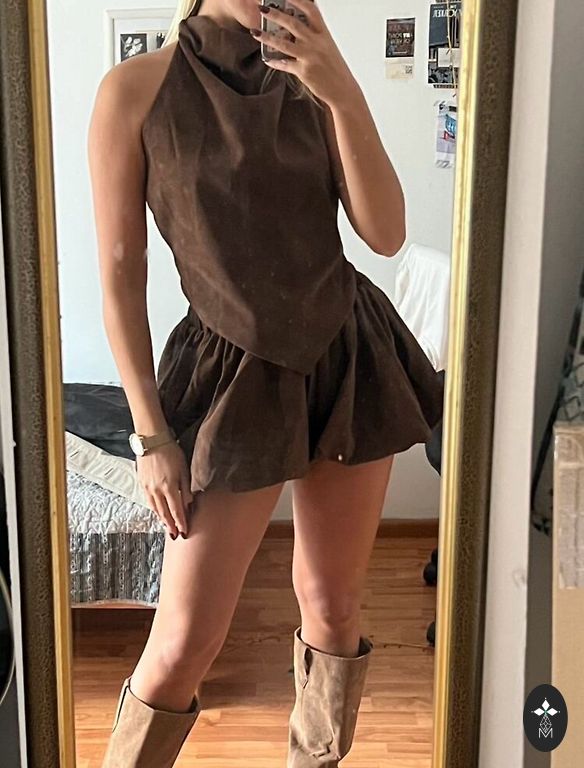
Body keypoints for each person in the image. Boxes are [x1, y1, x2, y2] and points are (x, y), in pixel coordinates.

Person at [87, 0, 445, 765]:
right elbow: (119, 281)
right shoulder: (135, 90)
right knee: (183, 641)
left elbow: (385, 234)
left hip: (346, 357)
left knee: (333, 605)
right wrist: (150, 435)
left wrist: (342, 88)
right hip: (228, 379)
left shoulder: (313, 76)